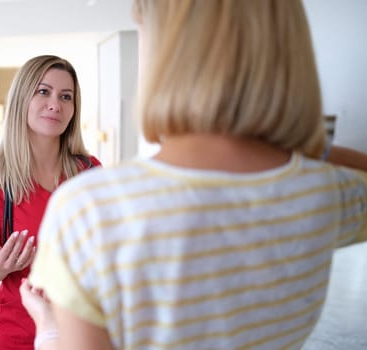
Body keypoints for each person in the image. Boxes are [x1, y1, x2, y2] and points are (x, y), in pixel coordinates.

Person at [20, 1, 367, 349]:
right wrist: (300, 142)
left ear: (166, 50)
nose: (56, 104)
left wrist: (49, 326)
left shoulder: (87, 211)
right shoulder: (327, 193)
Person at [0, 54, 101, 350]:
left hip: (85, 331)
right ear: (21, 98)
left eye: (66, 96)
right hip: (21, 333)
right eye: (43, 91)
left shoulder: (90, 172)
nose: (56, 104)